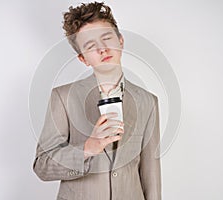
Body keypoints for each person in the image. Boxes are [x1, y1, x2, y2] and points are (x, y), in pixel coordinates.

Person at [33, 2, 162, 200]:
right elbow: (42, 166)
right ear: (83, 58)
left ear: (120, 41)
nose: (102, 49)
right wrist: (87, 149)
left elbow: (151, 175)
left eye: (107, 38)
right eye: (91, 46)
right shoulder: (63, 97)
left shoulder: (148, 102)